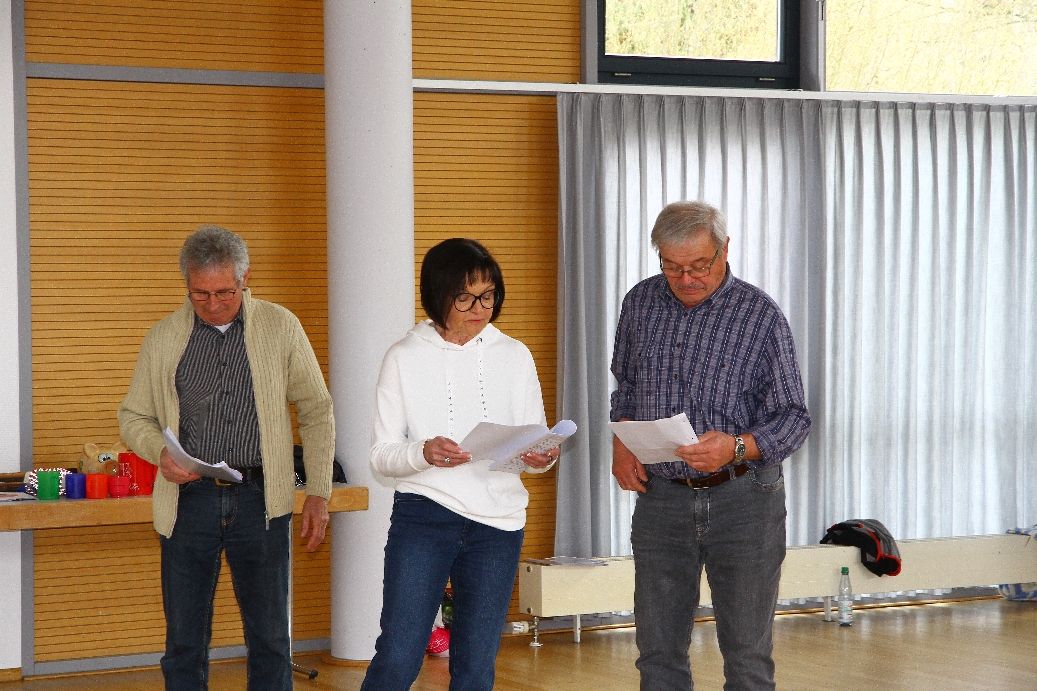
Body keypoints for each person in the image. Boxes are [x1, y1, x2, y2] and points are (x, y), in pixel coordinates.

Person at [118, 225, 335, 691]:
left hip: (262, 501)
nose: (213, 304)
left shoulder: (281, 326)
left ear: (245, 278)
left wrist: (319, 492)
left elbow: (317, 409)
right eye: (200, 293)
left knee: (271, 639)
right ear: (186, 284)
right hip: (188, 501)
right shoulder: (163, 338)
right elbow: (133, 416)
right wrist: (159, 453)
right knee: (184, 642)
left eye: (224, 292)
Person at [611, 201, 811, 691]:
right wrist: (623, 443)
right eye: (672, 267)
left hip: (745, 501)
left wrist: (736, 447)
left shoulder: (760, 317)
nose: (686, 279)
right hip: (662, 501)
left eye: (699, 265)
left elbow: (794, 418)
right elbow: (627, 387)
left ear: (725, 250)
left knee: (747, 657)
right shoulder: (640, 303)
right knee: (658, 653)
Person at [360, 237, 559, 691]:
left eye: (487, 296)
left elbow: (535, 444)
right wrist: (422, 452)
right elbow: (380, 456)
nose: (479, 308)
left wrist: (541, 457)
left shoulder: (516, 355)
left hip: (499, 524)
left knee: (476, 665)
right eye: (465, 297)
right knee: (399, 654)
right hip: (425, 515)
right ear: (438, 295)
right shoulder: (403, 357)